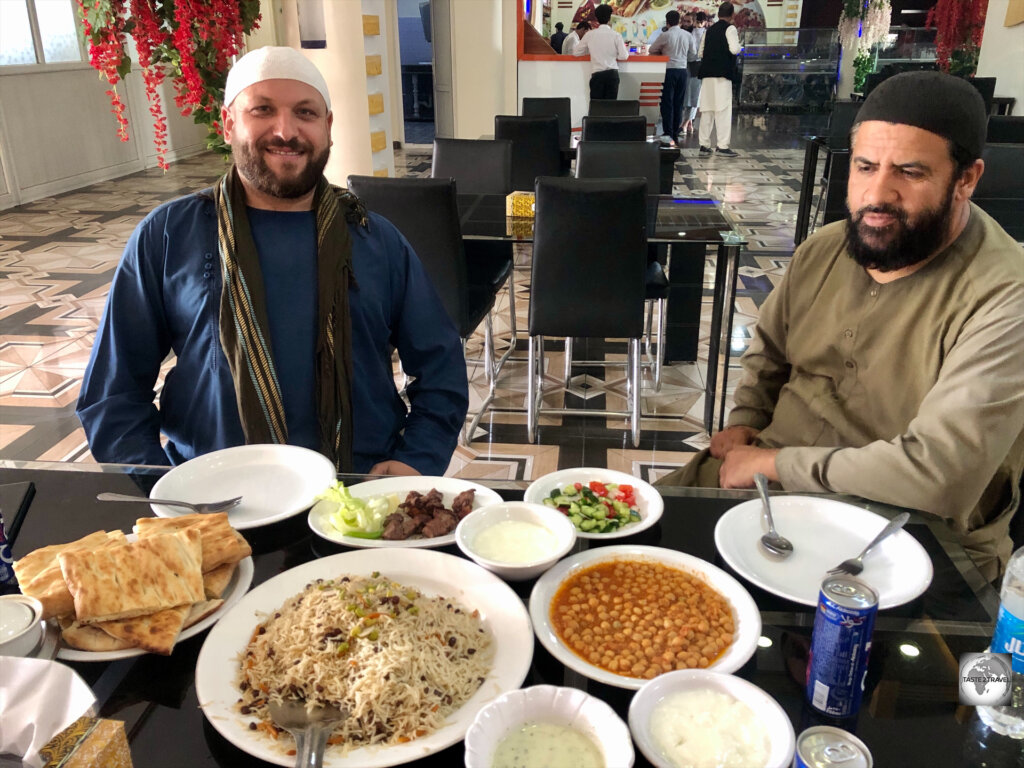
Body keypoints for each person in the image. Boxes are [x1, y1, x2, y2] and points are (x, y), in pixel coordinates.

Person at [657, 71, 1024, 582]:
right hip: (766, 489)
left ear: (966, 179)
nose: (878, 193)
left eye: (910, 172)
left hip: (908, 536)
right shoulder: (826, 247)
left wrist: (774, 465)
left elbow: (941, 475)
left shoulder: (1007, 295)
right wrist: (746, 418)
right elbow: (770, 349)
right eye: (866, 166)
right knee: (614, 548)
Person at [77, 47, 469, 477]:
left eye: (305, 113)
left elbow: (441, 368)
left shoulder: (375, 239)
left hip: (356, 495)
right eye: (262, 110)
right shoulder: (170, 235)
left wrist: (416, 458)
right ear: (228, 124)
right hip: (212, 497)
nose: (286, 131)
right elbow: (112, 394)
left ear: (328, 128)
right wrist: (162, 487)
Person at [697, 2, 741, 157]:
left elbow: (700, 52)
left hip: (707, 74)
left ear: (718, 13)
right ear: (732, 14)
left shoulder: (709, 31)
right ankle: (722, 146)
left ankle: (704, 144)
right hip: (723, 74)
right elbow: (734, 49)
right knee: (722, 110)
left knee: (707, 109)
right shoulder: (730, 28)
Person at [650, 10, 694, 147]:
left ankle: (668, 133)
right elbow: (693, 53)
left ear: (667, 21)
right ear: (679, 21)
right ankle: (675, 131)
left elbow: (652, 49)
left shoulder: (665, 35)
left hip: (668, 71)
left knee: (667, 103)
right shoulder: (687, 35)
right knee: (678, 103)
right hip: (682, 71)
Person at [573, 3, 628, 100]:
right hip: (612, 75)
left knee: (596, 107)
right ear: (609, 18)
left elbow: (576, 52)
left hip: (597, 76)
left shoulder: (590, 35)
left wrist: (589, 51)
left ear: (596, 18)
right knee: (610, 107)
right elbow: (624, 56)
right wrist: (614, 55)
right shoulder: (616, 35)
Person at [680, 11, 707, 135]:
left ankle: (685, 122)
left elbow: (695, 53)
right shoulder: (687, 33)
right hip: (689, 66)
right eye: (684, 21)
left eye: (689, 21)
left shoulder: (700, 33)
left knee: (694, 96)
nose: (686, 24)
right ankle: (689, 122)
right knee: (689, 96)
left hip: (696, 65)